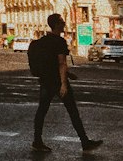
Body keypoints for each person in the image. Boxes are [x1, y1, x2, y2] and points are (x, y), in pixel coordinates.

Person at [31, 13, 102, 152]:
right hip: (57, 82)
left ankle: (37, 141)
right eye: (62, 21)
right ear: (57, 24)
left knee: (41, 111)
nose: (64, 23)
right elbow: (61, 63)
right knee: (73, 112)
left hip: (46, 81)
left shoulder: (44, 41)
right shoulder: (59, 41)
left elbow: (49, 63)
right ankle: (85, 142)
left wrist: (69, 75)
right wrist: (64, 83)